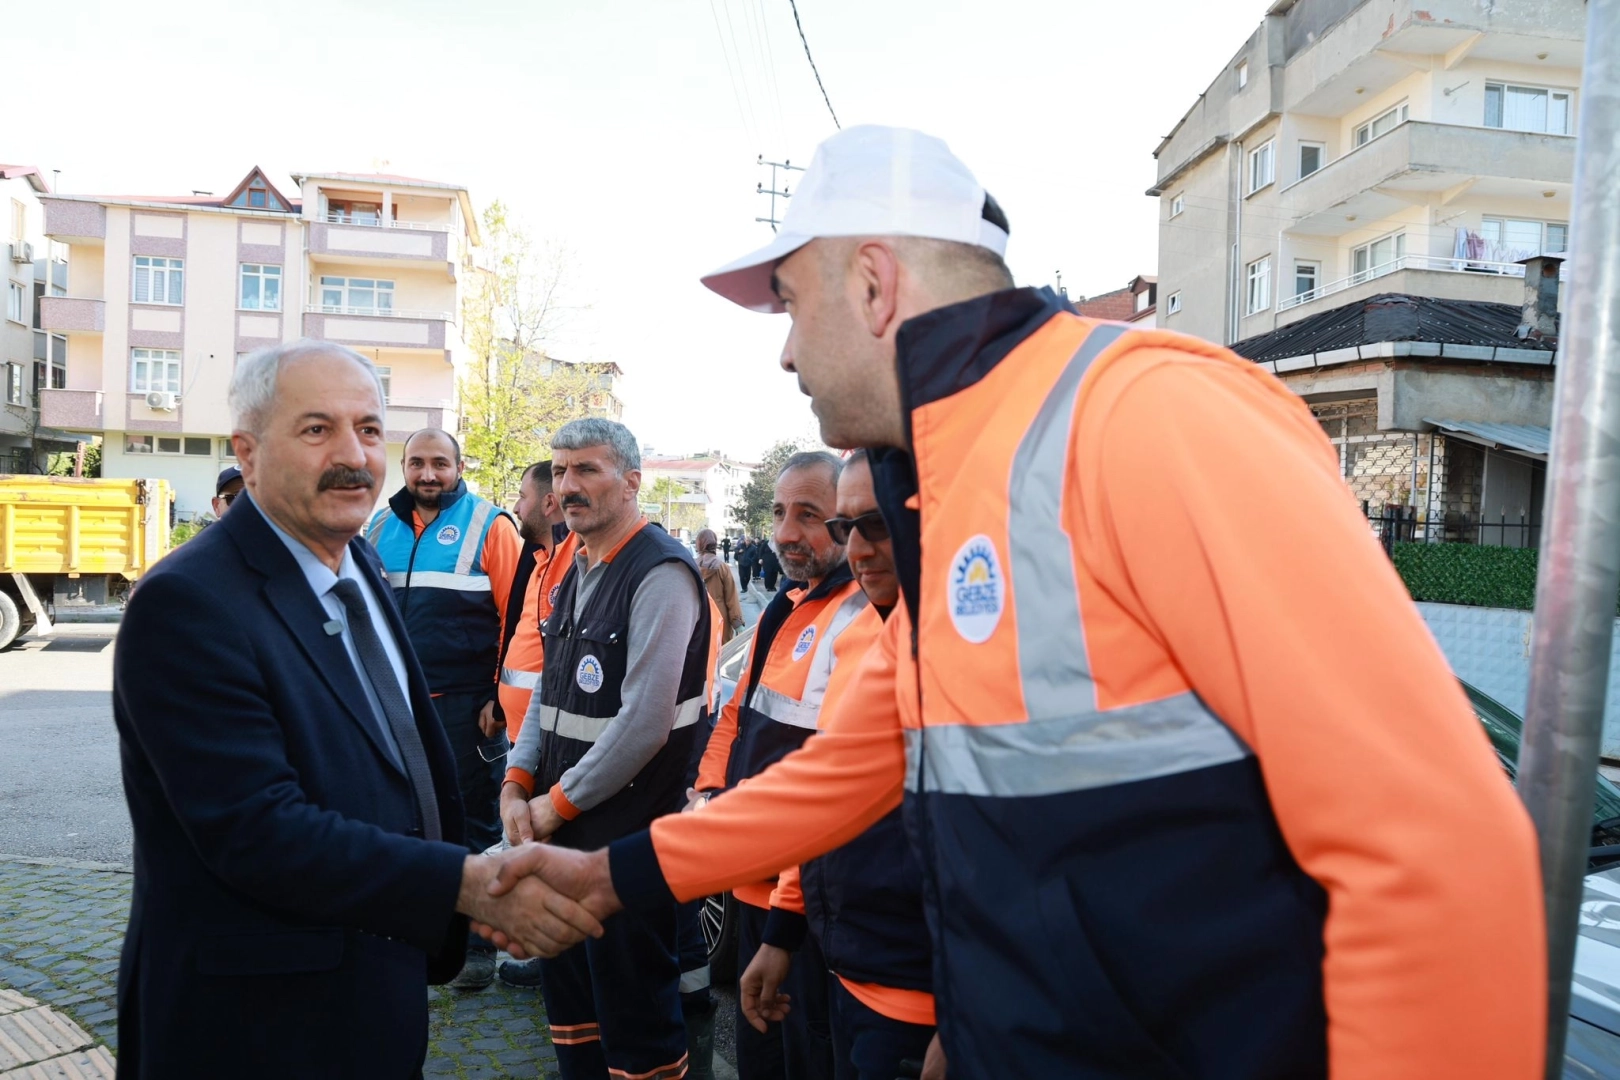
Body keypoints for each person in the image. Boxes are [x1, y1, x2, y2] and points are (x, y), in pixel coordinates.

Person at [479, 125, 1545, 1080]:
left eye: (793, 305)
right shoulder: (949, 487)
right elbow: (851, 769)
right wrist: (613, 875)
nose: (788, 349)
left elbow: (1434, 852)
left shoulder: (1147, 413)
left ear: (873, 283)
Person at [110, 340, 603, 1079]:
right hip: (258, 1026)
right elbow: (258, 832)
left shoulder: (358, 559)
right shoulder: (187, 604)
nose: (353, 456)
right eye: (317, 429)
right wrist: (466, 886)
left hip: (373, 984)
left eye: (369, 429)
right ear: (248, 453)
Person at [501, 418, 710, 1080]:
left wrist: (551, 806)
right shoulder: (577, 568)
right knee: (574, 1021)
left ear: (631, 482)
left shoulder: (661, 573)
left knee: (637, 1030)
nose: (567, 486)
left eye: (587, 469)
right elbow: (549, 689)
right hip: (563, 835)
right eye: (561, 470)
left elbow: (645, 722)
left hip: (625, 845)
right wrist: (515, 783)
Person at [738, 450, 935, 1080]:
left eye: (876, 524)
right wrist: (784, 928)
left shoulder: (967, 643)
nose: (859, 548)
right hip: (840, 953)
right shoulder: (863, 633)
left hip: (914, 988)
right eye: (848, 528)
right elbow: (823, 797)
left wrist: (966, 1006)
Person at [690, 451, 865, 1080]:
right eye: (779, 512)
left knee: (807, 1055)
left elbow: (836, 783)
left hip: (806, 908)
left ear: (847, 522)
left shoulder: (862, 617)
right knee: (760, 1052)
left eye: (808, 515)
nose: (786, 532)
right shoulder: (784, 607)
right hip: (752, 884)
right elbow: (735, 716)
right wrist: (709, 793)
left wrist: (787, 897)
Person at [365, 427, 524, 989]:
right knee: (403, 817)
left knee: (472, 820)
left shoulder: (490, 525)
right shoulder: (378, 527)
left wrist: (498, 695)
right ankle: (420, 931)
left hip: (465, 705)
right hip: (394, 703)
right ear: (404, 467)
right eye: (417, 463)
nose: (427, 474)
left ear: (458, 467)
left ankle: (477, 947)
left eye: (439, 463)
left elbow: (518, 617)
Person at [493, 460, 580, 989]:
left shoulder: (574, 563)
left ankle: (547, 957)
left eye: (523, 496)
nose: (517, 506)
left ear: (548, 503)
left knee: (544, 850)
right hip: (524, 737)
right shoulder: (543, 560)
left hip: (551, 742)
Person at [696, 528, 745, 644]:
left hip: (697, 620)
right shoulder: (722, 567)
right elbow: (731, 597)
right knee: (720, 651)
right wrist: (737, 623)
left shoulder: (692, 566)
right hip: (719, 619)